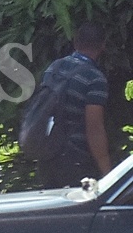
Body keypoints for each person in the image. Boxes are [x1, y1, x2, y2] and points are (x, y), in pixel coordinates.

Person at [37, 22, 111, 187]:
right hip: (76, 159)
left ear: (76, 43)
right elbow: (94, 128)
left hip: (47, 154)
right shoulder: (94, 78)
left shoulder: (53, 68)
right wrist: (107, 173)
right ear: (102, 46)